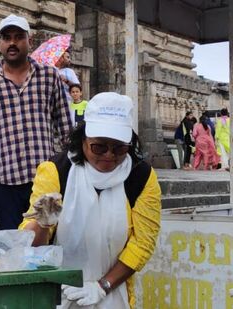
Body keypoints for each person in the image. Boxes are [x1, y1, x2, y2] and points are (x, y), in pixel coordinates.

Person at [20, 92, 162, 308]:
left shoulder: (141, 177)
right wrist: (43, 222)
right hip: (58, 291)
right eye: (99, 146)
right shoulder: (56, 171)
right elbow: (30, 246)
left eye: (120, 148)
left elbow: (142, 243)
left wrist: (102, 286)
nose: (109, 155)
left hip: (112, 291)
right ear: (83, 139)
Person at [0, 14, 73, 230]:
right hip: (5, 179)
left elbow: (65, 126)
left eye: (18, 37)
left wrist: (72, 168)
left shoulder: (49, 76)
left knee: (48, 238)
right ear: (0, 43)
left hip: (46, 178)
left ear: (29, 41)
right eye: (7, 38)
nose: (12, 43)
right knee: (12, 241)